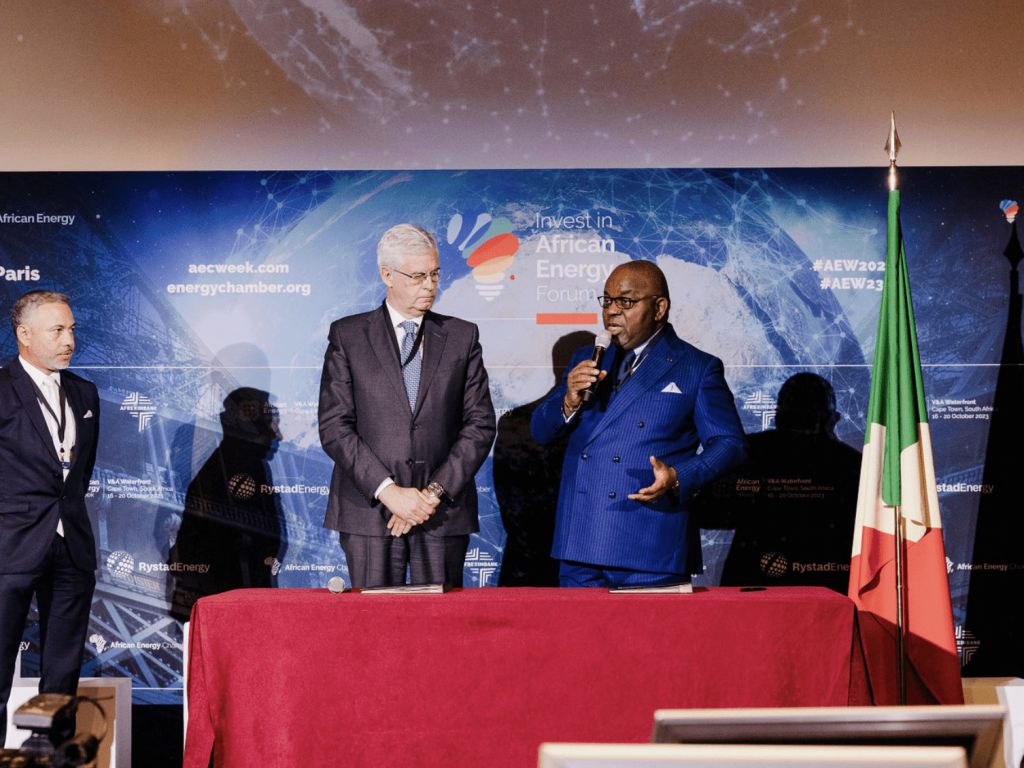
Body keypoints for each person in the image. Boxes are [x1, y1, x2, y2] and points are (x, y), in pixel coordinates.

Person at [531, 260, 746, 587]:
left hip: (650, 542)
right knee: (577, 624)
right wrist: (568, 401)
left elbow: (730, 444)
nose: (611, 311)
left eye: (626, 302)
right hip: (580, 541)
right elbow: (539, 431)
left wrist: (678, 476)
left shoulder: (697, 367)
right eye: (607, 300)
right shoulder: (587, 358)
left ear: (659, 308)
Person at [318, 224, 496, 588]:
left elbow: (480, 424)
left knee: (442, 622)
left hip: (441, 513)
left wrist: (430, 496)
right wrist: (389, 492)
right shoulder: (348, 336)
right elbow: (335, 426)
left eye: (434, 274)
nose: (429, 285)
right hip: (369, 512)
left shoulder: (462, 336)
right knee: (374, 621)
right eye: (417, 276)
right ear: (387, 275)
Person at [0, 290, 100, 744]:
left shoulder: (84, 392)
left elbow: (81, 472)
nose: (69, 341)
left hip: (71, 545)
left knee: (61, 673)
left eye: (72, 329)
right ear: (24, 334)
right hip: (10, 546)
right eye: (57, 330)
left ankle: (49, 754)